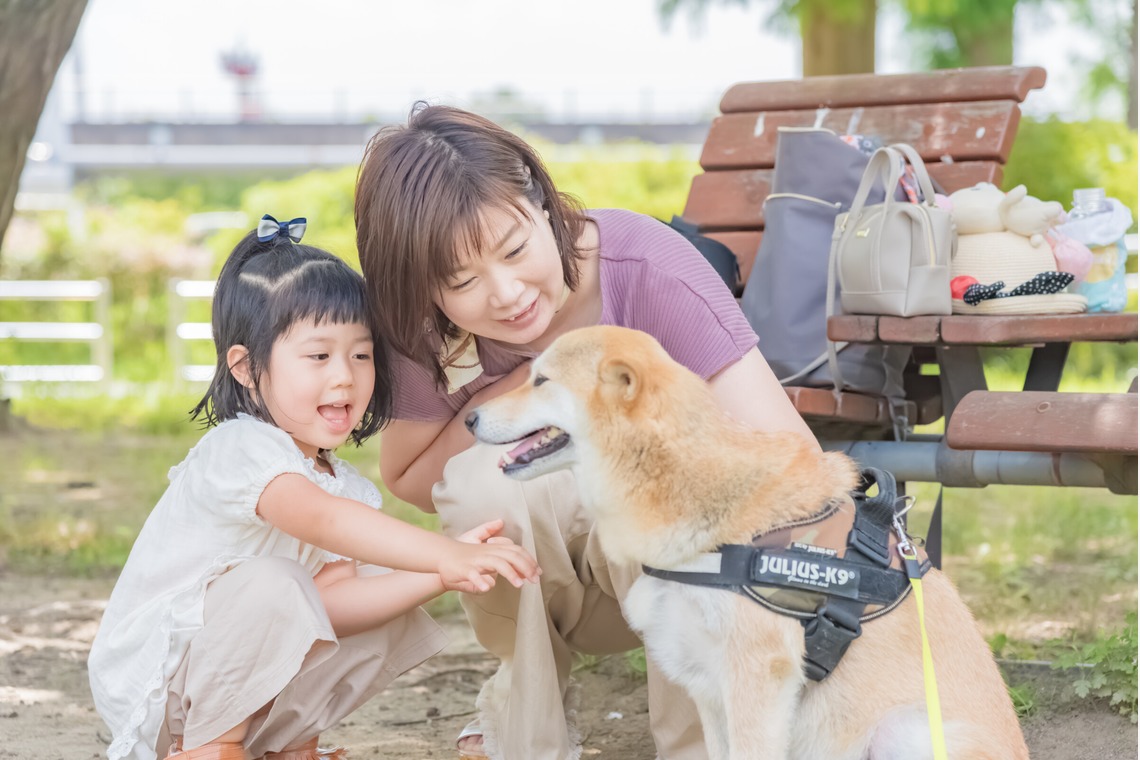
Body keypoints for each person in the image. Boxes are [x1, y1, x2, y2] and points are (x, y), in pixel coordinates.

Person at [354, 106, 818, 760]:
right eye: (461, 282)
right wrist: (522, 390)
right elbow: (409, 476)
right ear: (427, 287)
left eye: (515, 249)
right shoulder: (427, 328)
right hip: (543, 584)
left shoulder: (646, 267)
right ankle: (528, 727)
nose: (508, 293)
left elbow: (791, 459)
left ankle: (704, 738)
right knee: (484, 488)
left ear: (543, 204)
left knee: (659, 475)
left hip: (678, 567)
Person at [88, 216, 541, 760]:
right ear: (247, 369)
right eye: (318, 356)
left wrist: (439, 573)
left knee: (376, 599)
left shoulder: (343, 485)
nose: (345, 376)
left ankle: (279, 743)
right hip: (164, 689)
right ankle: (209, 747)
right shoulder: (241, 449)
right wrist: (444, 549)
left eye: (361, 354)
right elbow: (323, 521)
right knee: (276, 584)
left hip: (236, 684)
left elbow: (333, 604)